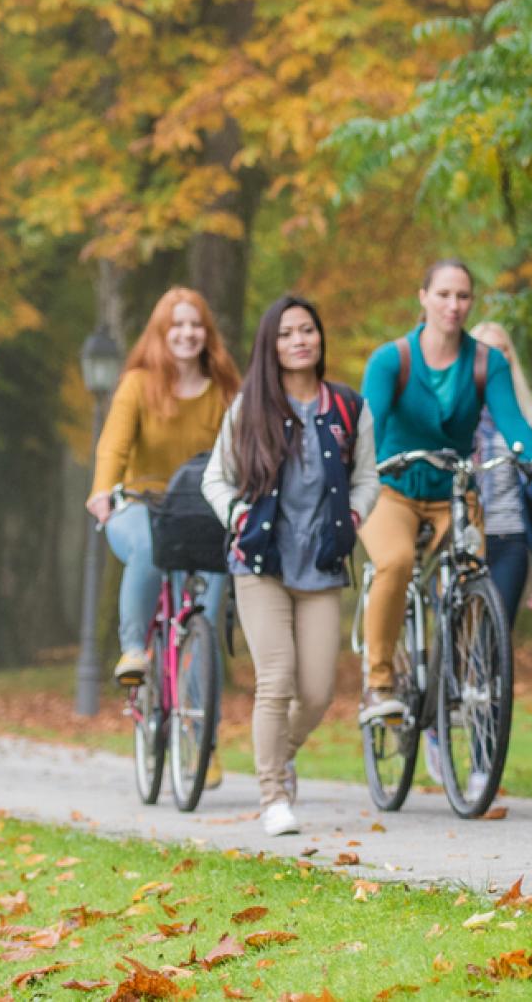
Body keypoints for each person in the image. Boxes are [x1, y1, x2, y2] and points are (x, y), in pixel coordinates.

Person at [201, 295, 378, 837]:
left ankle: (281, 755)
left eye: (307, 330)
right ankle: (273, 795)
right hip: (261, 563)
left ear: (319, 338)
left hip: (322, 565)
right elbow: (216, 478)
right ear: (270, 345)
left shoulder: (349, 407)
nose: (299, 340)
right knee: (275, 680)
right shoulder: (249, 409)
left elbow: (368, 477)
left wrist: (353, 513)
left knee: (319, 691)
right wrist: (237, 516)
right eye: (286, 333)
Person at [357, 260, 532, 725]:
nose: (454, 305)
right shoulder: (392, 360)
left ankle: (462, 675)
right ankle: (379, 683)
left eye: (463, 296)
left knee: (474, 571)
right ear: (423, 297)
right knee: (396, 562)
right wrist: (356, 476)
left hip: (453, 491)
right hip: (391, 489)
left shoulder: (487, 362)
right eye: (444, 294)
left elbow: (513, 425)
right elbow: (369, 426)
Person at [85, 288, 241, 686]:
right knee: (150, 548)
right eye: (177, 325)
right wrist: (103, 490)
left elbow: (243, 452)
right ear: (161, 332)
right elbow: (113, 446)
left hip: (202, 510)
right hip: (142, 505)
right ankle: (134, 650)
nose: (187, 333)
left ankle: (200, 726)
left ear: (207, 334)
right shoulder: (137, 385)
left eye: (195, 325)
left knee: (205, 612)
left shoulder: (223, 390)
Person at [469, 321, 532, 627]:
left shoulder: (531, 413)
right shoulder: (458, 411)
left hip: (510, 536)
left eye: (503, 349)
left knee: (497, 636)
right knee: (458, 636)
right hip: (463, 537)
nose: (497, 356)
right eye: (488, 349)